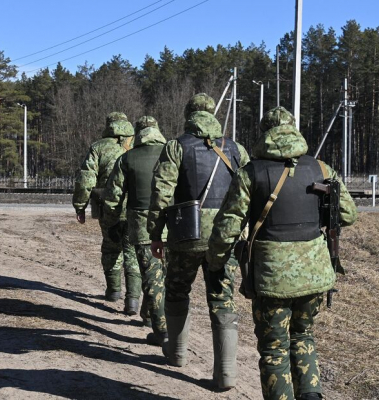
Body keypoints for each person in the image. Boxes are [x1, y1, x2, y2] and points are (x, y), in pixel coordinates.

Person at [206, 107, 358, 400]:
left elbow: (227, 228)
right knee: (303, 337)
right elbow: (348, 215)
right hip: (315, 273)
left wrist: (216, 261)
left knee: (274, 348)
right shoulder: (322, 169)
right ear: (293, 129)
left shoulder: (250, 173)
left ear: (265, 134)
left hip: (272, 277)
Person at [147, 93, 250, 390]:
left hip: (185, 236)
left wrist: (157, 234)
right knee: (222, 298)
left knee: (177, 290)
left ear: (188, 115)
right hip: (225, 237)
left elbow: (161, 193)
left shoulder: (176, 147)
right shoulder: (235, 148)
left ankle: (177, 353)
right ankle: (226, 374)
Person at [103, 116, 168, 344]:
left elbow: (113, 197)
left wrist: (111, 223)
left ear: (137, 133)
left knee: (151, 276)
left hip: (142, 224)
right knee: (169, 276)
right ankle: (151, 316)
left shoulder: (128, 158)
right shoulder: (173, 153)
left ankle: (160, 330)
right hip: (176, 224)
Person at [73, 112, 141, 314]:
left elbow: (86, 179)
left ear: (109, 126)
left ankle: (113, 291)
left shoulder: (99, 147)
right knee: (132, 252)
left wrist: (80, 205)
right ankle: (133, 300)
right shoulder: (139, 145)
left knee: (111, 249)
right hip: (135, 207)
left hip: (107, 207)